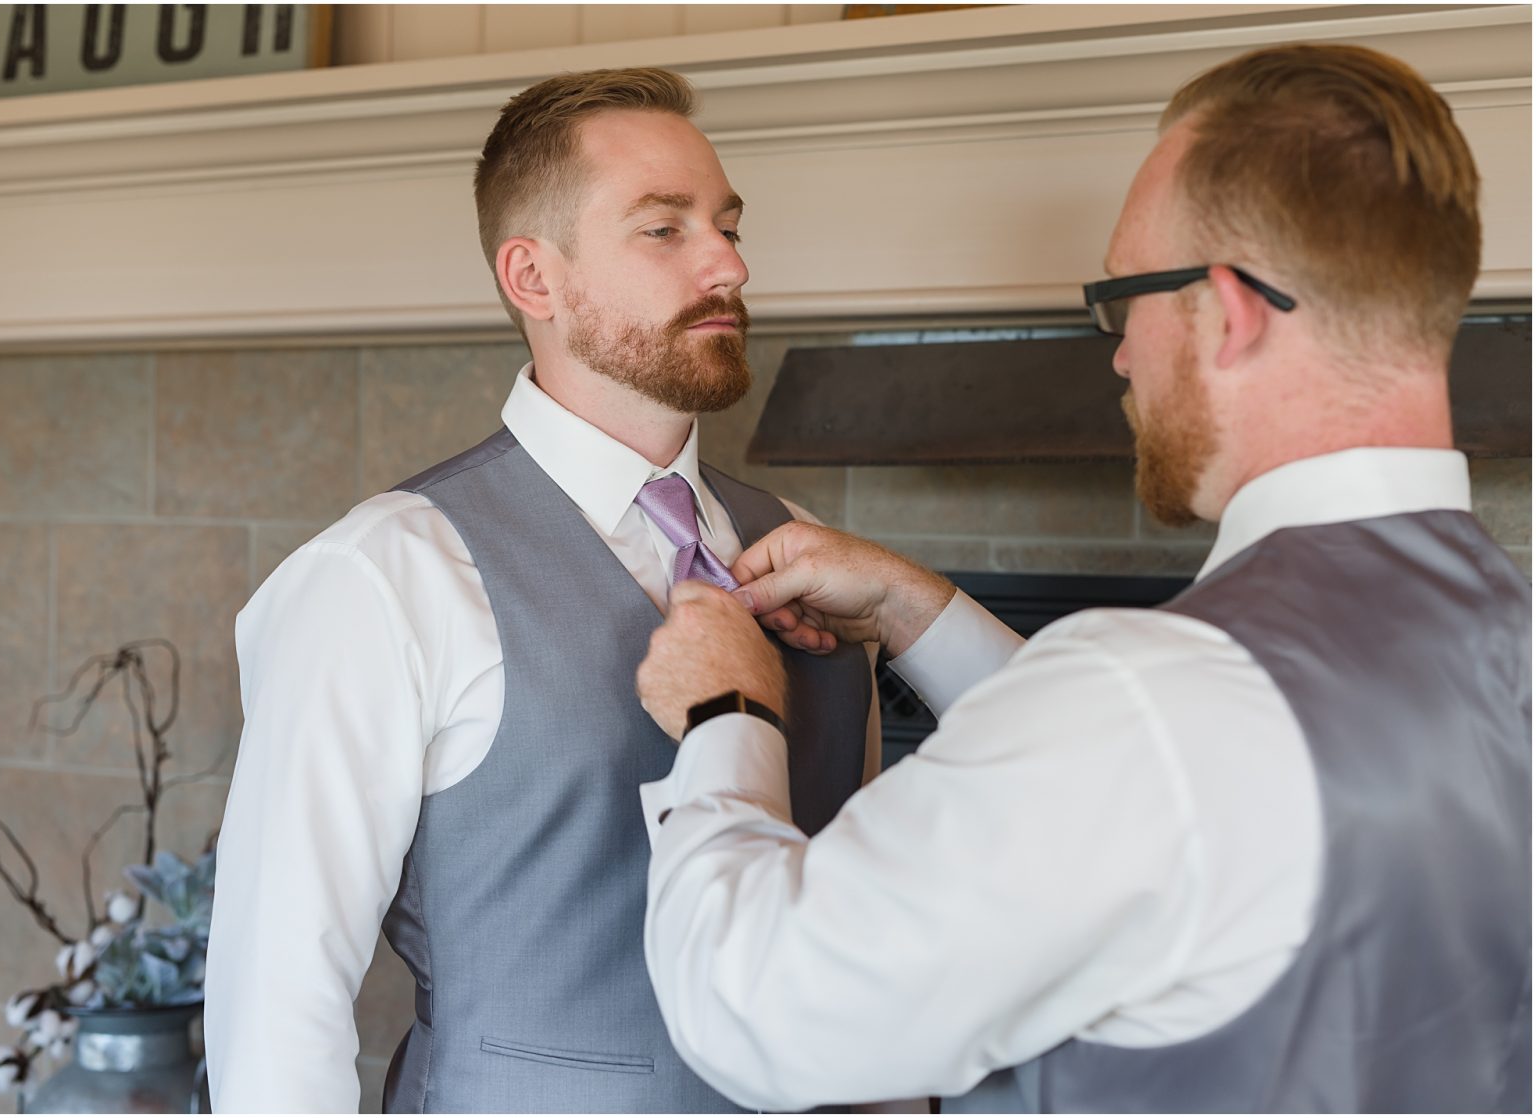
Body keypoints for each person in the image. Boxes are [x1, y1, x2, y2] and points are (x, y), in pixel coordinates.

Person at [635, 42, 1531, 1113]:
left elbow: (760, 1009)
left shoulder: (1151, 702)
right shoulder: (1499, 631)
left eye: (1121, 300)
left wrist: (727, 711)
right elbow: (1180, 802)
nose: (1116, 356)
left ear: (1230, 310)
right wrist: (925, 611)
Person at [204, 67, 883, 1112]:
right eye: (664, 230)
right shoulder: (387, 573)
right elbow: (277, 1002)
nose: (729, 263)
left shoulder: (797, 552)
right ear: (535, 277)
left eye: (728, 224)